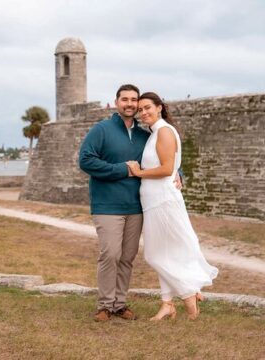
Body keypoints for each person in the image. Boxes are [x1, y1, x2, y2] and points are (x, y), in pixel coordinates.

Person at [79, 84, 181, 322]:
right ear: (116, 102)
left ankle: (119, 304)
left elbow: (165, 158)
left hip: (136, 206)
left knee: (127, 257)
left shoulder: (146, 135)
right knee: (110, 254)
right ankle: (104, 305)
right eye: (125, 99)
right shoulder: (101, 130)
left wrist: (179, 173)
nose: (130, 104)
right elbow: (85, 161)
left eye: (134, 100)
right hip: (107, 205)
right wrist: (122, 169)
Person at [127, 92, 218, 321]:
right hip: (153, 201)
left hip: (162, 201)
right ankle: (167, 303)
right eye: (140, 110)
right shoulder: (156, 132)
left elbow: (167, 169)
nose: (143, 112)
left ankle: (188, 293)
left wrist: (139, 172)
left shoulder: (164, 131)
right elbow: (172, 167)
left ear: (159, 107)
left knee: (154, 255)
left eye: (147, 107)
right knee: (165, 252)